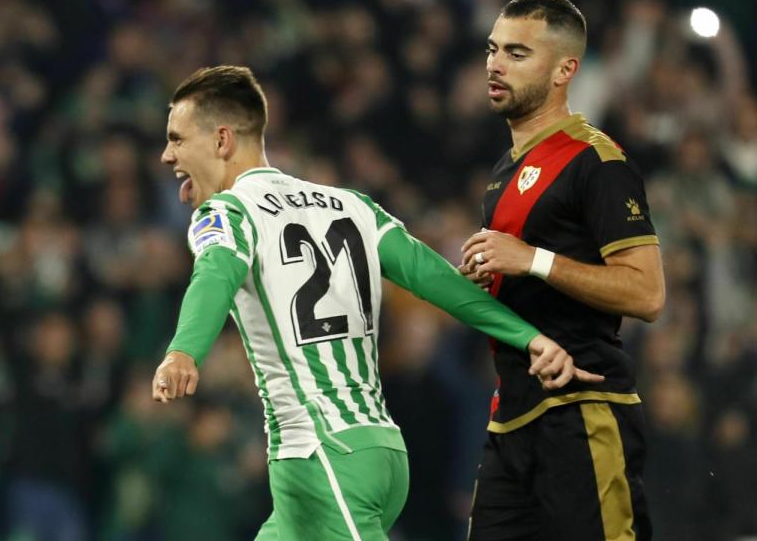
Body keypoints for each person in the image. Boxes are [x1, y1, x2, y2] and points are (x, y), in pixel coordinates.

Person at [151, 65, 601, 541]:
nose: (166, 156)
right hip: (379, 453)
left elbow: (215, 272)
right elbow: (437, 280)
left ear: (222, 141)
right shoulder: (352, 205)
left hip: (322, 457)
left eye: (177, 139)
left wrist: (184, 350)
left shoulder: (227, 212)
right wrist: (527, 336)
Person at [458, 0, 665, 541]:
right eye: (493, 48)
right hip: (511, 419)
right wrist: (492, 278)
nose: (495, 64)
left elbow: (647, 294)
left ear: (564, 70)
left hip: (583, 409)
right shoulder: (504, 172)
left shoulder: (596, 161)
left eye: (518, 53)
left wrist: (532, 259)